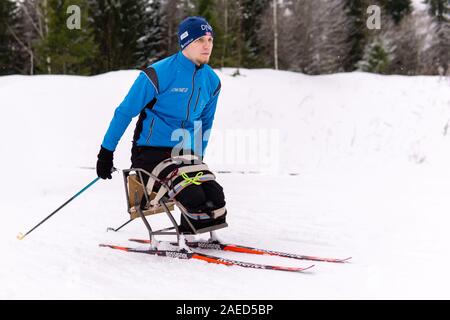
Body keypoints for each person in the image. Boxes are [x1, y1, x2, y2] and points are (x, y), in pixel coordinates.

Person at [96, 16, 226, 234]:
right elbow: (124, 112)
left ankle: (194, 229)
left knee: (215, 196)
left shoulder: (212, 81)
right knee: (193, 195)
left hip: (184, 154)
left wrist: (198, 158)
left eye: (210, 40)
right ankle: (190, 230)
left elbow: (205, 123)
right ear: (185, 43)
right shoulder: (157, 74)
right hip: (150, 153)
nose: (207, 45)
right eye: (200, 40)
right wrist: (105, 152)